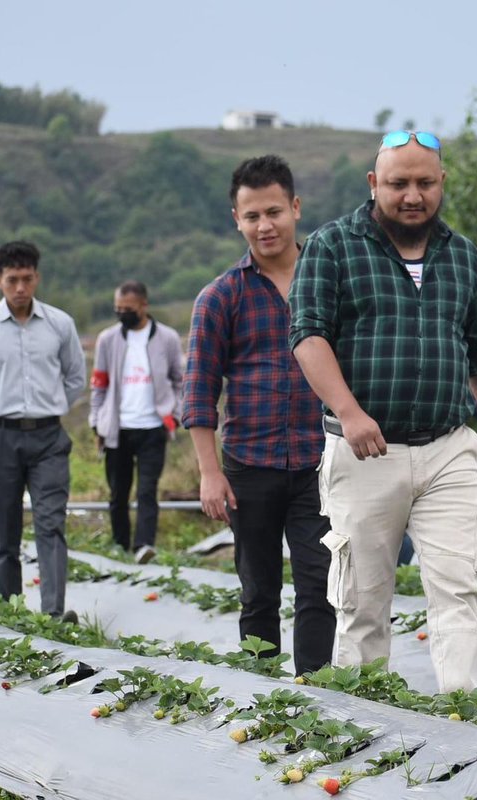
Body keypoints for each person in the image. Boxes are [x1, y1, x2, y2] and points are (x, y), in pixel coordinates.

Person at [289, 130, 477, 693]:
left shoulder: (462, 254)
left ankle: (464, 717)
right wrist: (349, 411)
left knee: (458, 591)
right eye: (398, 184)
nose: (411, 195)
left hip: (447, 448)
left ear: (442, 183)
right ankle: (365, 725)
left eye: (424, 183)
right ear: (374, 184)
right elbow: (307, 336)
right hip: (366, 452)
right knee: (365, 601)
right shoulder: (333, 246)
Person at [181, 154, 334, 676]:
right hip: (250, 465)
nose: (264, 226)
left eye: (274, 212)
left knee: (322, 582)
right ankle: (265, 694)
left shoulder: (331, 278)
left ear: (294, 207)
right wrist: (209, 472)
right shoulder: (221, 296)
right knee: (259, 588)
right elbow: (199, 390)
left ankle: (319, 693)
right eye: (252, 216)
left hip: (322, 461)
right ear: (236, 220)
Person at [0, 240, 85, 621]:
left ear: (37, 277)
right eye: (13, 280)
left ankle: (54, 616)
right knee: (5, 530)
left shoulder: (60, 324)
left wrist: (51, 405)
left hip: (48, 439)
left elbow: (76, 376)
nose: (21, 288)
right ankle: (10, 615)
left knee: (51, 525)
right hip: (0, 438)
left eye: (27, 279)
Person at [89, 280, 185, 563]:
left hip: (153, 427)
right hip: (117, 428)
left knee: (147, 490)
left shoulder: (166, 338)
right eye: (118, 309)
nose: (122, 314)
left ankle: (144, 546)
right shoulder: (108, 339)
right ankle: (119, 545)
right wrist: (97, 422)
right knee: (118, 493)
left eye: (128, 309)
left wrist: (175, 414)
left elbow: (180, 379)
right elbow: (99, 385)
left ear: (144, 306)